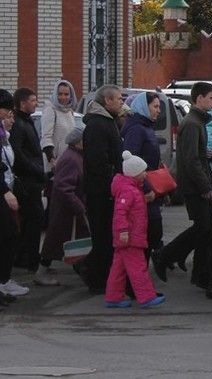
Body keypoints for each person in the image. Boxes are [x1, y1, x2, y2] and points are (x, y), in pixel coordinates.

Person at [154, 82, 212, 290]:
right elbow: (190, 160)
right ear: (198, 98)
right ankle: (165, 256)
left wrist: (204, 154)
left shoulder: (196, 122)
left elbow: (195, 154)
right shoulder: (192, 123)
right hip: (194, 186)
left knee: (205, 231)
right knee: (203, 228)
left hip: (197, 183)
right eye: (210, 98)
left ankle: (199, 274)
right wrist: (204, 186)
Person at [105, 151, 165, 309]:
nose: (145, 174)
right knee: (138, 268)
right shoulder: (129, 191)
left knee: (118, 269)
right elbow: (120, 212)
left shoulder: (130, 189)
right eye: (143, 172)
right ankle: (146, 297)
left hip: (127, 237)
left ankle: (113, 296)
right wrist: (124, 231)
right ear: (135, 173)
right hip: (130, 237)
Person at [82, 85, 125, 294]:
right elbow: (98, 161)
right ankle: (94, 276)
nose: (121, 102)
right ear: (107, 101)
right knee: (102, 236)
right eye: (118, 99)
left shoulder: (108, 122)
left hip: (107, 189)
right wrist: (112, 184)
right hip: (101, 191)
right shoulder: (98, 125)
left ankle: (97, 273)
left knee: (106, 236)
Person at [120, 92, 163, 263]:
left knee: (152, 233)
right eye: (155, 106)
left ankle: (139, 276)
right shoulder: (137, 129)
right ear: (144, 107)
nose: (159, 111)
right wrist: (145, 187)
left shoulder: (146, 126)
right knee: (148, 233)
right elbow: (131, 161)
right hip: (141, 190)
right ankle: (134, 278)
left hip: (151, 186)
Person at [10, 87, 47, 283]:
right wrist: (34, 169)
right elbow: (18, 153)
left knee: (33, 221)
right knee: (33, 220)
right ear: (22, 103)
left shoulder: (27, 121)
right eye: (33, 100)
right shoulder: (18, 124)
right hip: (26, 181)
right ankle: (27, 259)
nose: (35, 103)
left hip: (33, 179)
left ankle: (27, 256)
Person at [40, 128, 88, 277]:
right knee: (59, 241)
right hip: (67, 210)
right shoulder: (71, 159)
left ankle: (45, 269)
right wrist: (79, 207)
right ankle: (42, 272)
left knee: (60, 240)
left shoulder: (74, 155)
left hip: (67, 208)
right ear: (79, 142)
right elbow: (64, 187)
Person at [0, 90, 28, 299]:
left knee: (10, 235)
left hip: (6, 188)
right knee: (8, 234)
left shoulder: (4, 135)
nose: (9, 116)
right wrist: (5, 191)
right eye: (7, 111)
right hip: (3, 191)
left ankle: (4, 281)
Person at [40, 79, 78, 170]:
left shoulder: (70, 112)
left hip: (69, 160)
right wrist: (52, 159)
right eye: (60, 94)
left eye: (66, 94)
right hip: (55, 163)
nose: (63, 97)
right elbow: (46, 136)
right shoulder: (50, 109)